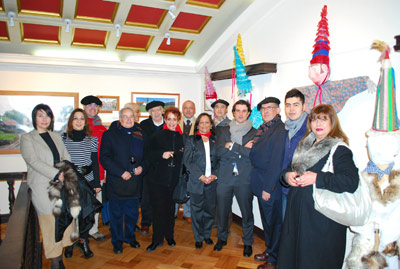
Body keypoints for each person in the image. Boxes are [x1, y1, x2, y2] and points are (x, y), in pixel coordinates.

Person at [277, 104, 359, 269]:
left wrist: (318, 178)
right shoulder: (305, 144)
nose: (318, 124)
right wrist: (287, 176)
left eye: (323, 120)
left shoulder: (339, 149)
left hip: (322, 221)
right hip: (297, 215)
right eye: (314, 120)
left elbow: (350, 182)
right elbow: (289, 169)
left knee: (316, 261)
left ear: (332, 123)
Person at [20, 104, 74, 269]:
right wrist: (56, 174)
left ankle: (61, 255)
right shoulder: (28, 138)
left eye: (47, 116)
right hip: (42, 187)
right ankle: (55, 261)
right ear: (34, 118)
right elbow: (33, 161)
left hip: (62, 185)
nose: (44, 119)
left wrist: (66, 172)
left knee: (65, 221)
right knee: (50, 223)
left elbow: (66, 156)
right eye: (40, 115)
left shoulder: (56, 136)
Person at [214, 100, 257, 257]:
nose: (240, 114)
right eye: (237, 110)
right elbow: (218, 151)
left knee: (247, 212)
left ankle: (248, 242)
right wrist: (241, 150)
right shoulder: (223, 130)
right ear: (233, 112)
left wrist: (231, 146)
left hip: (244, 177)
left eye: (244, 111)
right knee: (223, 210)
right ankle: (222, 238)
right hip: (225, 176)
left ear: (248, 113)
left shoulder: (255, 132)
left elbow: (252, 154)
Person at [99, 107, 145, 254]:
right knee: (117, 215)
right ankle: (117, 242)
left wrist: (142, 167)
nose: (128, 119)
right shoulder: (110, 134)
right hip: (117, 182)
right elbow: (104, 158)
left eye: (131, 116)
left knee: (132, 214)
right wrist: (121, 172)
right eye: (125, 116)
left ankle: (130, 238)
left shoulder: (141, 135)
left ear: (135, 118)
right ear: (120, 119)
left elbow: (148, 157)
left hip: (135, 182)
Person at [250, 97, 287, 269]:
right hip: (260, 182)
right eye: (263, 108)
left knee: (274, 223)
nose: (265, 111)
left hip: (269, 186)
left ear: (278, 110)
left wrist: (268, 188)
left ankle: (274, 260)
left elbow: (276, 162)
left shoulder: (280, 129)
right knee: (267, 222)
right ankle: (270, 250)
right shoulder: (265, 128)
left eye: (270, 108)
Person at [62, 108, 101, 259]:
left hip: (87, 181)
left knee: (86, 214)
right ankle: (70, 243)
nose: (79, 121)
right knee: (71, 214)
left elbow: (95, 163)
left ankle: (84, 241)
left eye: (82, 119)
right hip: (70, 181)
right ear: (71, 121)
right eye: (76, 118)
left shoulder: (92, 140)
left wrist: (97, 183)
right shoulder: (63, 138)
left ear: (86, 122)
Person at [146, 107, 184, 252]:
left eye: (175, 119)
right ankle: (157, 239)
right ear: (165, 119)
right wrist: (161, 154)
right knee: (158, 210)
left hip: (173, 181)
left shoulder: (181, 138)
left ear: (178, 120)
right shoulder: (157, 136)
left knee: (170, 210)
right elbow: (148, 155)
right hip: (157, 180)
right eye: (169, 119)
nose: (172, 122)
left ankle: (169, 236)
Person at [184, 113, 218, 249]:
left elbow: (221, 160)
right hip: (197, 182)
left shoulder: (216, 140)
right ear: (197, 125)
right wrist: (201, 176)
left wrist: (215, 175)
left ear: (211, 124)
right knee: (196, 211)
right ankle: (198, 237)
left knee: (210, 211)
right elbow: (187, 161)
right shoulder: (191, 140)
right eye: (201, 123)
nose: (204, 125)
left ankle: (206, 235)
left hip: (212, 182)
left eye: (207, 122)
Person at [81, 95, 107, 241]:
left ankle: (93, 229)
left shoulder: (102, 128)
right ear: (84, 107)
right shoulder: (78, 124)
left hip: (99, 171)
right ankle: (79, 232)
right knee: (79, 203)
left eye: (95, 106)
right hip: (81, 172)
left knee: (96, 202)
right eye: (89, 105)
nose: (92, 108)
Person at [139, 100, 165, 235]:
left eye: (158, 110)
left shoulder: (168, 124)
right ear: (149, 113)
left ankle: (160, 221)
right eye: (153, 110)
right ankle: (145, 222)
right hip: (148, 166)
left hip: (164, 167)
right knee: (146, 197)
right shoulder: (143, 125)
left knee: (162, 196)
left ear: (162, 111)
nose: (156, 113)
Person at [281, 89, 308, 219]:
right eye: (288, 105)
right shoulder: (285, 128)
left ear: (304, 106)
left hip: (303, 190)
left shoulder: (311, 129)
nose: (291, 109)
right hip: (285, 186)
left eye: (296, 104)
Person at [177, 100, 196, 223]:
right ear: (182, 110)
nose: (188, 110)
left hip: (192, 161)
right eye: (185, 108)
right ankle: (172, 212)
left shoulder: (200, 123)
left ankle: (188, 213)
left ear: (194, 110)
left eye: (191, 108)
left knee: (190, 186)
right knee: (176, 185)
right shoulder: (175, 123)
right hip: (177, 160)